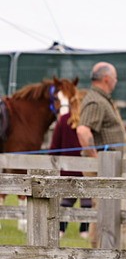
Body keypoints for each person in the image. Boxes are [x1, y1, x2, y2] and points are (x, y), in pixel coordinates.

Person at [49, 91, 89, 236]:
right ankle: (85, 231)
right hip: (87, 171)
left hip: (66, 170)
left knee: (66, 201)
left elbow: (54, 147)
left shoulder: (63, 120)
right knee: (87, 201)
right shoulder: (89, 121)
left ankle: (60, 230)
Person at [76, 62, 126, 157]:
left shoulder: (101, 99)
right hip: (103, 167)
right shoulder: (96, 101)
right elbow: (82, 131)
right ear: (106, 79)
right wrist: (96, 160)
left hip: (109, 165)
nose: (116, 81)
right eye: (115, 77)